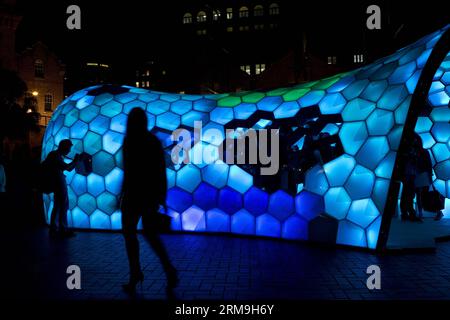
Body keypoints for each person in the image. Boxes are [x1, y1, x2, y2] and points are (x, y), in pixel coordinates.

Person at [120, 107, 178, 297]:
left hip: (133, 194)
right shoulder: (152, 141)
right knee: (149, 234)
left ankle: (136, 273)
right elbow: (160, 171)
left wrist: (121, 193)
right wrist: (161, 196)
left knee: (131, 235)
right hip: (147, 195)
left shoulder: (130, 141)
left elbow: (129, 172)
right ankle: (166, 270)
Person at [44, 139, 80, 237]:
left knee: (59, 205)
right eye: (69, 148)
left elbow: (69, 168)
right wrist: (75, 161)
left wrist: (75, 162)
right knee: (62, 205)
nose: (69, 150)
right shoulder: (55, 155)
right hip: (58, 182)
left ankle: (55, 228)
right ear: (64, 147)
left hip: (58, 182)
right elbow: (67, 168)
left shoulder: (56, 155)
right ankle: (61, 229)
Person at [414, 135, 444, 221]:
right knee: (419, 195)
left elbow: (429, 165)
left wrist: (430, 177)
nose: (414, 142)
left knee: (424, 196)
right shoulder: (413, 152)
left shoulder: (424, 152)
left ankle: (437, 212)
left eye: (415, 140)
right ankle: (420, 214)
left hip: (423, 175)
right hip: (416, 175)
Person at [399, 138, 423, 222]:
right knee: (407, 194)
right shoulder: (405, 150)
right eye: (414, 140)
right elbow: (403, 161)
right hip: (407, 174)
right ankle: (406, 213)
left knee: (410, 194)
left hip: (412, 174)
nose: (415, 142)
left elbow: (417, 162)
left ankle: (408, 213)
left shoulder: (414, 150)